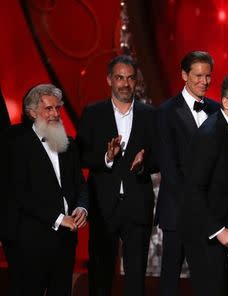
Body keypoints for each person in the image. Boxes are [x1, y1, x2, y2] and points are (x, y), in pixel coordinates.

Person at [77, 55, 158, 296]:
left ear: (136, 81)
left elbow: (161, 157)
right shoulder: (93, 112)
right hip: (103, 207)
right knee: (100, 277)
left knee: (135, 280)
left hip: (138, 206)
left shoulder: (150, 114)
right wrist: (106, 158)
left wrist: (144, 165)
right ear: (109, 80)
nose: (125, 84)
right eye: (120, 78)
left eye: (130, 78)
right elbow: (80, 155)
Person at [178, 72, 228, 296]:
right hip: (207, 234)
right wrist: (218, 230)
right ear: (225, 102)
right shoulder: (210, 134)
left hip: (227, 233)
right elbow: (193, 189)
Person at [8, 84, 88, 295]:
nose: (55, 114)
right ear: (32, 112)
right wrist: (59, 218)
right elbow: (20, 194)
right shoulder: (18, 145)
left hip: (66, 241)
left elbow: (80, 183)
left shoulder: (68, 143)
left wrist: (82, 208)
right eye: (49, 109)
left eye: (58, 108)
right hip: (33, 241)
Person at [155, 51, 220, 296]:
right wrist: (196, 205)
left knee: (206, 277)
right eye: (198, 76)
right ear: (184, 75)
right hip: (178, 209)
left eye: (208, 76)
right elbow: (169, 169)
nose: (204, 81)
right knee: (170, 277)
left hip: (209, 211)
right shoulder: (166, 112)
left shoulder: (216, 110)